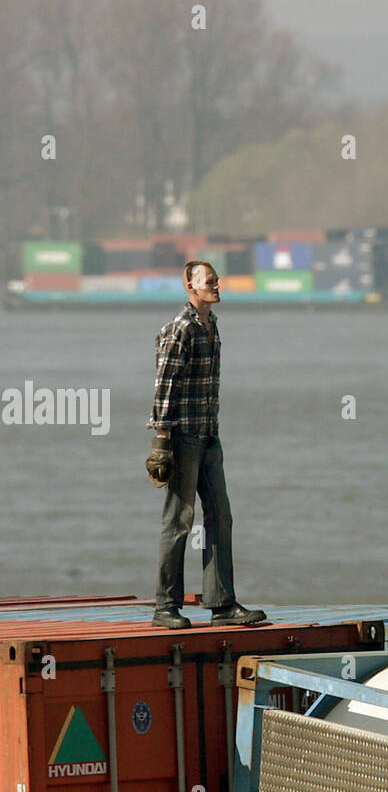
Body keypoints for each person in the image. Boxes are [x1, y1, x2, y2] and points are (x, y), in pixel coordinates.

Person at [147, 261, 266, 628]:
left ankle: (222, 604)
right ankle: (166, 607)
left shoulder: (211, 325)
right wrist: (161, 444)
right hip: (182, 439)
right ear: (189, 286)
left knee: (220, 516)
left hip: (208, 437)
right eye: (210, 282)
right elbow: (164, 386)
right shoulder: (180, 329)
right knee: (179, 521)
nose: (217, 286)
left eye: (217, 281)